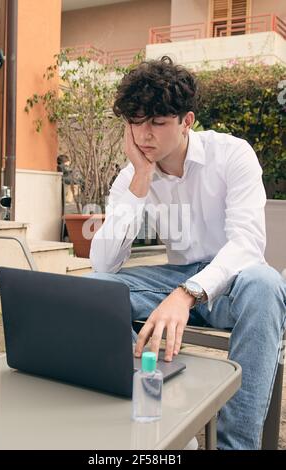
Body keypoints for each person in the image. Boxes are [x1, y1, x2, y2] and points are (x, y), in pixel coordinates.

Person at [88, 56, 286, 450]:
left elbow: (247, 244)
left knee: (265, 282)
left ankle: (234, 446)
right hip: (173, 279)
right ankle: (166, 423)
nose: (144, 135)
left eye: (157, 123)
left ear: (186, 121)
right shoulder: (132, 174)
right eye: (135, 122)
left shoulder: (232, 154)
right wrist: (141, 179)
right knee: (97, 289)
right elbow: (103, 262)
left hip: (232, 285)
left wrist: (188, 292)